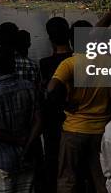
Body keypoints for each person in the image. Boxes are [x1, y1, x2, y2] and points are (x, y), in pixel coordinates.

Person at [47, 20, 111, 193]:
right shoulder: (109, 62)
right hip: (102, 131)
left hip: (74, 129)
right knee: (102, 179)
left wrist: (65, 104)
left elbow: (51, 90)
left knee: (68, 181)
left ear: (71, 39)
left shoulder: (69, 64)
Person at [0, 47, 43, 193]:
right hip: (28, 157)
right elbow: (39, 121)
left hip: (3, 161)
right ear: (14, 65)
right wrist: (26, 145)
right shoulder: (29, 87)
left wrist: (17, 141)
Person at [38, 17, 73, 193]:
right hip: (76, 121)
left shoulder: (45, 63)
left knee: (53, 165)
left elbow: (48, 94)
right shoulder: (79, 60)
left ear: (50, 38)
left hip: (54, 123)